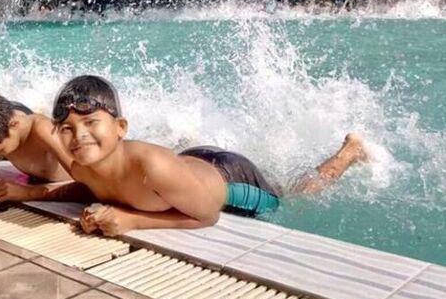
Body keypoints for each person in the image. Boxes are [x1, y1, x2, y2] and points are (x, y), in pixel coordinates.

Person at [23, 75, 369, 236]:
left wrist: (131, 221)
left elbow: (207, 216)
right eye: (66, 128)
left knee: (296, 193)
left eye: (90, 123)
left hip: (234, 182)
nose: (79, 136)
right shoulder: (82, 165)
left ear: (121, 127)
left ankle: (349, 152)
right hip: (191, 161)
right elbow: (85, 188)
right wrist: (23, 193)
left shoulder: (151, 166)